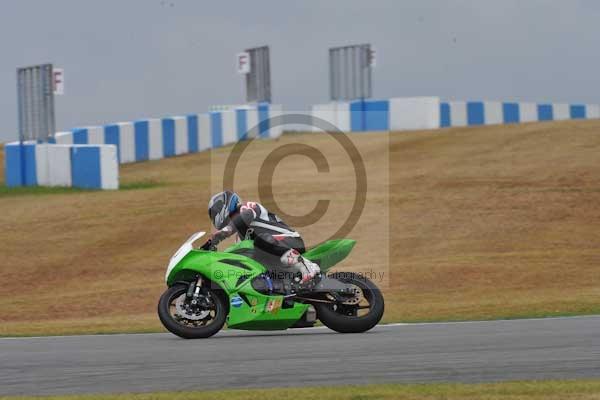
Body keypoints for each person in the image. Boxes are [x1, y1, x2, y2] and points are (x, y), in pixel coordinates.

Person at [205, 190, 321, 284]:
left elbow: (243, 217)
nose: (214, 215)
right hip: (275, 256)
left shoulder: (247, 207)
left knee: (260, 240)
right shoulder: (239, 238)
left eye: (215, 211)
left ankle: (306, 264)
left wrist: (225, 232)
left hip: (290, 241)